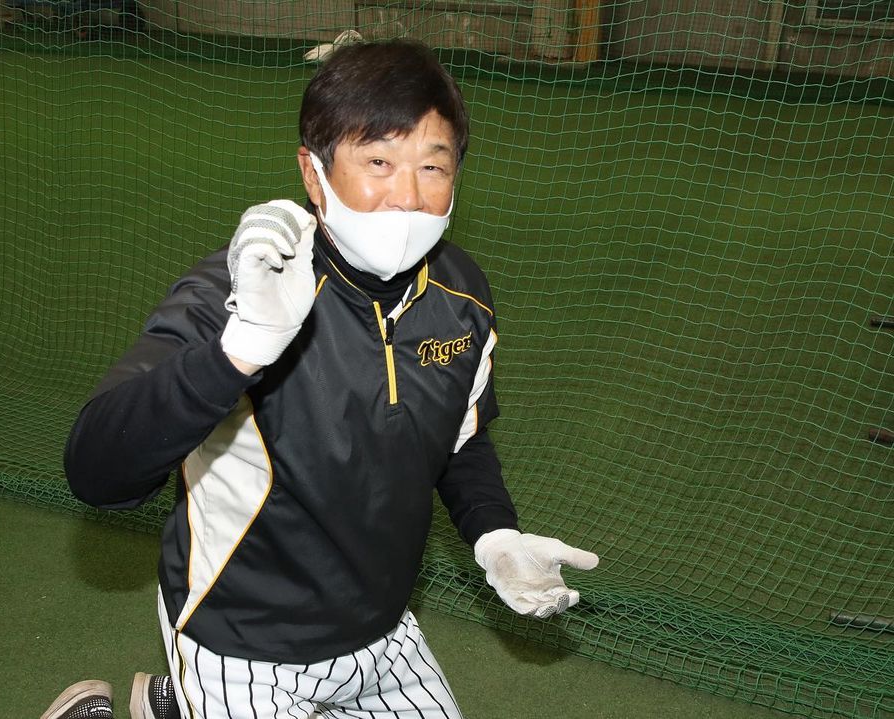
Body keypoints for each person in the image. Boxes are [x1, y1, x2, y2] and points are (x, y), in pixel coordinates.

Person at [43, 38, 600, 719]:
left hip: (382, 633)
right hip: (242, 640)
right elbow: (97, 470)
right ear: (314, 173)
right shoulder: (238, 291)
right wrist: (238, 351)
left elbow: (459, 441)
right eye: (378, 162)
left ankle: (173, 708)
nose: (408, 197)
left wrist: (495, 535)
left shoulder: (462, 294)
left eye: (433, 165)